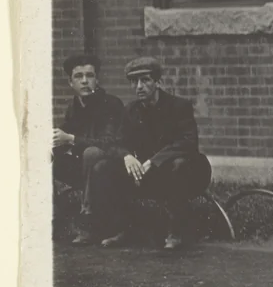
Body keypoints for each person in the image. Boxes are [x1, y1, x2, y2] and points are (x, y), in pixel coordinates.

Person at [107, 57, 213, 250]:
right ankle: (127, 228)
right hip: (151, 174)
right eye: (134, 81)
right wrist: (127, 156)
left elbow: (188, 142)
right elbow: (116, 143)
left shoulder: (179, 107)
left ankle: (176, 231)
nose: (139, 86)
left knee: (178, 164)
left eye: (145, 80)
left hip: (188, 172)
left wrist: (154, 161)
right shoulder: (131, 110)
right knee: (111, 164)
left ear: (158, 82)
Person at [51, 53, 128, 245]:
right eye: (78, 77)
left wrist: (70, 139)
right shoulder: (74, 106)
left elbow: (108, 143)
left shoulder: (111, 104)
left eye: (90, 76)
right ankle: (54, 219)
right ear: (70, 82)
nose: (85, 81)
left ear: (97, 79)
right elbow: (65, 132)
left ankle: (89, 220)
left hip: (110, 166)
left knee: (91, 153)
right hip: (84, 168)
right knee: (46, 156)